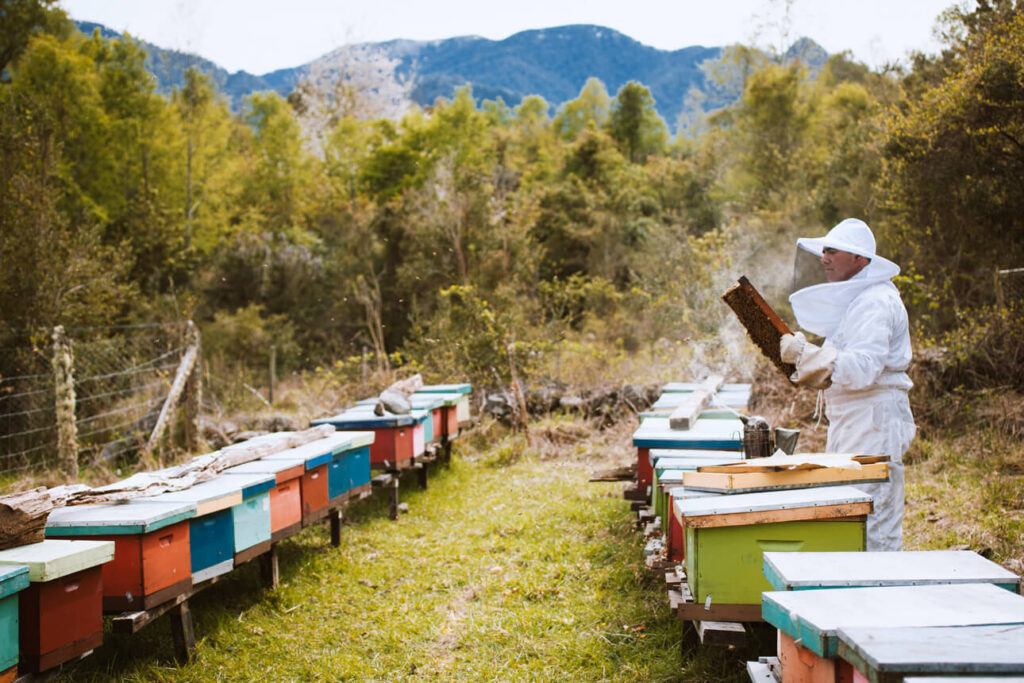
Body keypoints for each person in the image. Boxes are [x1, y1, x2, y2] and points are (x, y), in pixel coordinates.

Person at [780, 218, 916, 551]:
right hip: (855, 420)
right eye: (823, 251)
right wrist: (808, 357)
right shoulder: (859, 302)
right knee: (850, 515)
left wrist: (810, 356)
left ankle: (883, 598)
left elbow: (862, 369)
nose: (824, 258)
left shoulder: (876, 302)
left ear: (860, 259)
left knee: (874, 524)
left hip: (873, 422)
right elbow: (840, 364)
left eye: (833, 251)